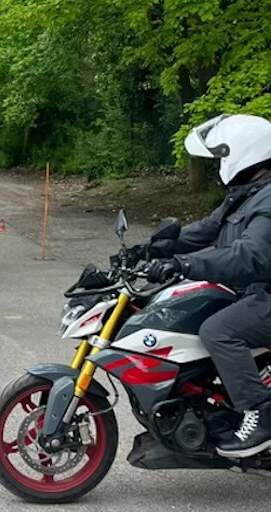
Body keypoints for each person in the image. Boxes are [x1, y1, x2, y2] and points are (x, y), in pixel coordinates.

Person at [145, 113, 271, 458]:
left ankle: (261, 412)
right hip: (252, 292)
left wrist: (186, 265)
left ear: (244, 153)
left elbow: (251, 255)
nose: (218, 164)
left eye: (221, 157)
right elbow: (206, 229)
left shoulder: (269, 198)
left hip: (265, 294)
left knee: (217, 330)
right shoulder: (248, 192)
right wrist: (153, 248)